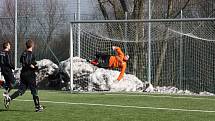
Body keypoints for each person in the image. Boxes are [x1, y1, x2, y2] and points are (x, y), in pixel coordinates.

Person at [5, 39, 43, 112]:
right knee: (34, 91)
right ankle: (38, 107)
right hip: (30, 75)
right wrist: (35, 68)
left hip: (23, 74)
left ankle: (9, 98)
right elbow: (28, 63)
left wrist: (35, 65)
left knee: (21, 90)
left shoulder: (23, 53)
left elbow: (24, 61)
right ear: (32, 45)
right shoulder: (30, 53)